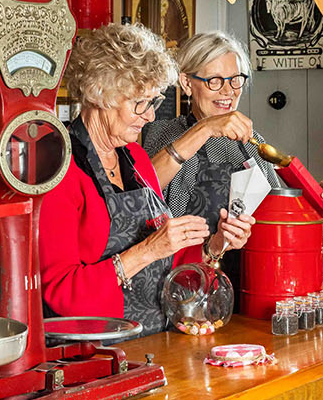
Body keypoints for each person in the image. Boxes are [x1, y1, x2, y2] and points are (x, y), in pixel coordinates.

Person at [40, 23, 254, 333]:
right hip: (96, 348)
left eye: (154, 102)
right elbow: (62, 294)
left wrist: (214, 245)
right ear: (101, 94)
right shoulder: (60, 170)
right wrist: (148, 250)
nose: (151, 116)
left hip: (154, 340)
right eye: (140, 103)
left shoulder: (136, 159)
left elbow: (169, 267)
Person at [143, 32, 323, 241]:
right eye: (215, 81)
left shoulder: (253, 142)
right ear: (187, 83)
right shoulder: (162, 133)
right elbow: (141, 194)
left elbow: (274, 215)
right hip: (187, 261)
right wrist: (206, 128)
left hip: (251, 260)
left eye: (235, 80)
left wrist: (307, 202)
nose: (228, 91)